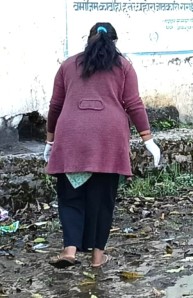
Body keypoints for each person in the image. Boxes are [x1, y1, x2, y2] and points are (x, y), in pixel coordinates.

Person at [44, 23, 161, 269]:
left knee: (70, 195)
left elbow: (55, 105)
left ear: (88, 40)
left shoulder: (68, 65)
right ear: (114, 42)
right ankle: (97, 257)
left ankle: (69, 250)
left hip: (71, 136)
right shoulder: (123, 66)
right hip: (108, 138)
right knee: (102, 199)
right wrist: (148, 139)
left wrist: (50, 139)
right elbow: (133, 104)